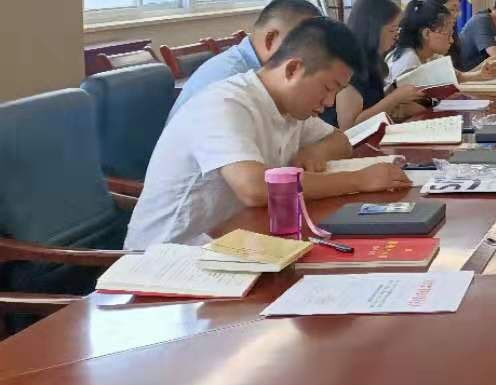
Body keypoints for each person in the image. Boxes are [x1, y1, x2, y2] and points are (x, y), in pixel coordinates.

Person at [126, 18, 409, 250]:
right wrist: (359, 180)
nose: (329, 102)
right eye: (327, 88)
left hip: (234, 243)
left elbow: (340, 141)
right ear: (293, 69)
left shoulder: (291, 107)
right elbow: (254, 188)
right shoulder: (225, 103)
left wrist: (315, 151)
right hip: (166, 260)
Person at [168, 0, 320, 120]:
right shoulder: (229, 83)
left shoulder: (267, 75)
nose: (314, 57)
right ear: (270, 40)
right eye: (306, 45)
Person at [322, 0, 427, 130]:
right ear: (372, 30)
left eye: (398, 29)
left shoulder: (374, 60)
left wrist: (394, 98)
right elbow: (349, 127)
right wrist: (394, 98)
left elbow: (372, 105)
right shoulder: (349, 65)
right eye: (392, 30)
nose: (396, 36)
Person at [387, 0, 456, 83]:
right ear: (426, 33)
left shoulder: (431, 56)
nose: (452, 40)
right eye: (448, 34)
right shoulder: (409, 63)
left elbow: (455, 77)